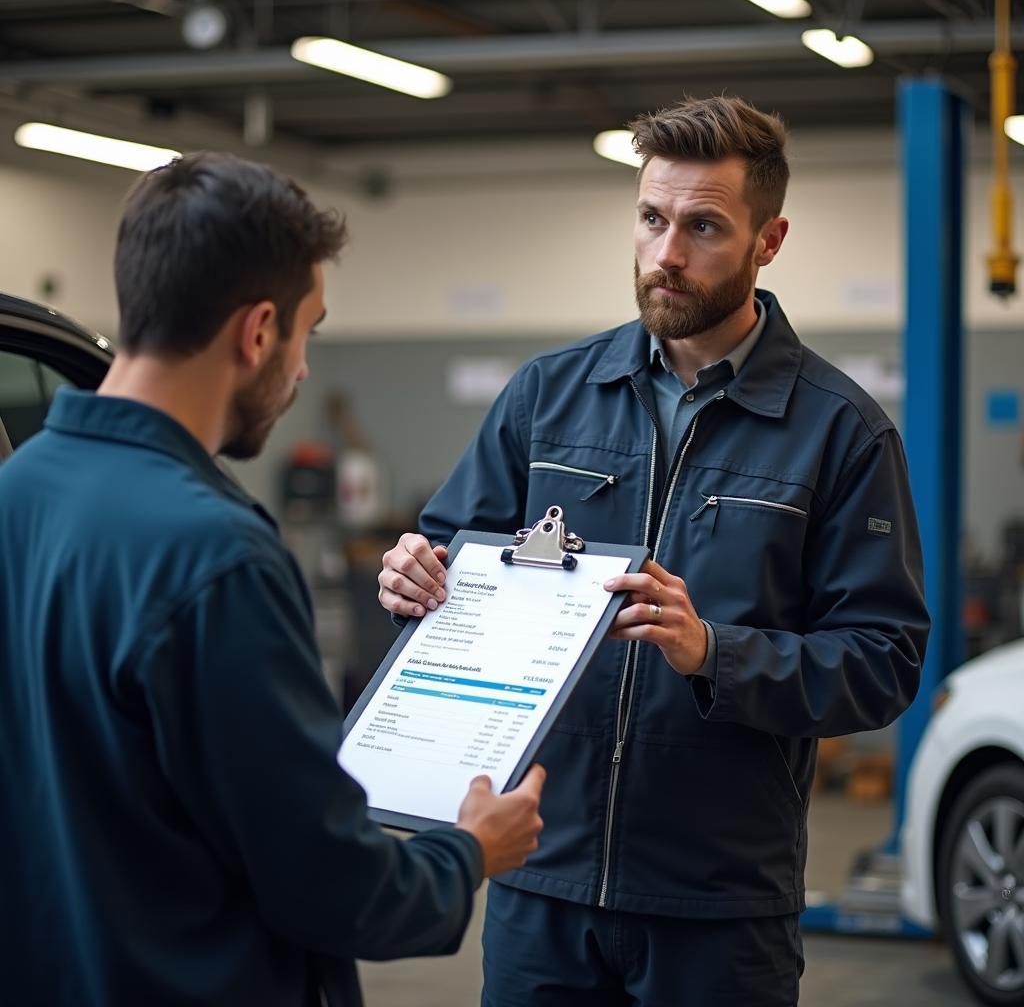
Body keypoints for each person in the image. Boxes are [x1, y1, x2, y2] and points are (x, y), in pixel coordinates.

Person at [378, 95, 930, 1006]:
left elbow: (883, 662)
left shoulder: (842, 435)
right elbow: (445, 557)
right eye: (651, 219)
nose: (667, 254)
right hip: (540, 885)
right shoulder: (546, 398)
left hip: (717, 910)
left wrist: (713, 650)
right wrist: (408, 578)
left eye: (704, 227)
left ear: (769, 240)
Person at [0, 151, 545, 1007]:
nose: (299, 372)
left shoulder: (16, 493)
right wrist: (468, 850)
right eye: (307, 334)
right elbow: (328, 885)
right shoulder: (217, 557)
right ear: (258, 332)